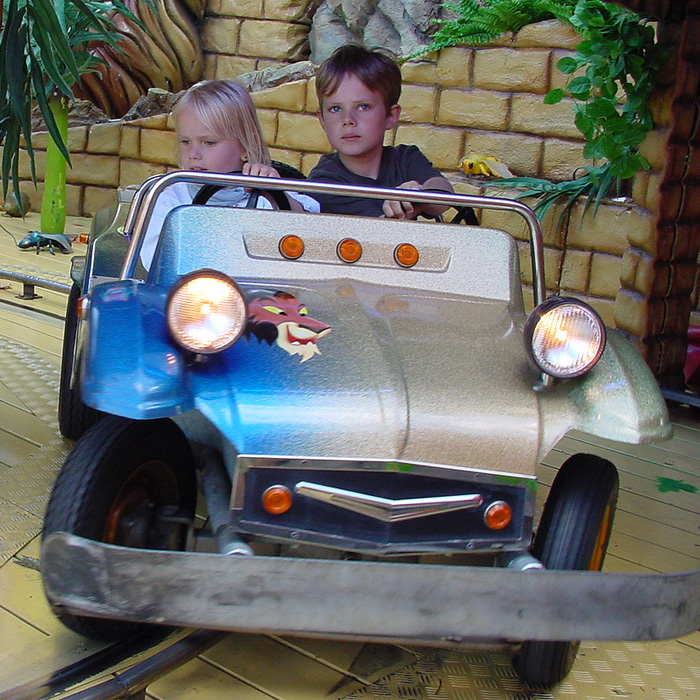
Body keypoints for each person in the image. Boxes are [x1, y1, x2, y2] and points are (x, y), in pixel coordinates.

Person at [140, 80, 319, 269]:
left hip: (260, 292)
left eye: (208, 142)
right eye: (185, 142)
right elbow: (155, 259)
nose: (194, 154)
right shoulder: (171, 198)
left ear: (244, 146)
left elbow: (312, 234)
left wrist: (276, 193)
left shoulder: (261, 196)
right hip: (192, 292)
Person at [309, 43, 454, 219]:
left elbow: (443, 196)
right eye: (335, 109)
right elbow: (377, 231)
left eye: (363, 107)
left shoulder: (405, 158)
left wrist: (420, 194)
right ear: (322, 119)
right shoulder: (323, 183)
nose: (348, 120)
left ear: (390, 116)